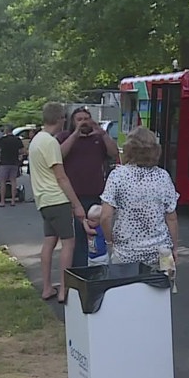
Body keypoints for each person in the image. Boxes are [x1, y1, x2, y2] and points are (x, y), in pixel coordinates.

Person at [28, 103, 88, 301]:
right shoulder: (50, 142)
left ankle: (47, 287)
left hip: (43, 200)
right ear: (61, 118)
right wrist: (77, 205)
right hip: (57, 199)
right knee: (68, 243)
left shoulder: (37, 140)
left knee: (49, 243)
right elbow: (61, 177)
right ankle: (64, 289)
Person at [98, 127, 178, 267]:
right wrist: (175, 247)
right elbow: (171, 217)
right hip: (161, 252)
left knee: (124, 288)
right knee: (163, 286)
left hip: (126, 253)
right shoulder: (163, 176)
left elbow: (106, 216)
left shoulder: (118, 176)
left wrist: (109, 240)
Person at [56, 107, 120, 267]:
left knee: (96, 236)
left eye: (86, 118)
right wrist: (76, 134)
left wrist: (103, 134)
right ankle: (78, 272)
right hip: (74, 196)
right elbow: (58, 155)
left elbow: (115, 154)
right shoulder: (65, 137)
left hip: (96, 195)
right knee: (78, 238)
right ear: (72, 122)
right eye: (79, 119)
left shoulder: (98, 139)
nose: (84, 122)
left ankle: (96, 270)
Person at [0, 124, 25, 207]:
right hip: (14, 163)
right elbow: (22, 150)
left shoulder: (2, 140)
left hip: (4, 163)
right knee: (13, 181)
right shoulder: (17, 139)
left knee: (3, 182)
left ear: (6, 130)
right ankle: (13, 201)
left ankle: (2, 201)